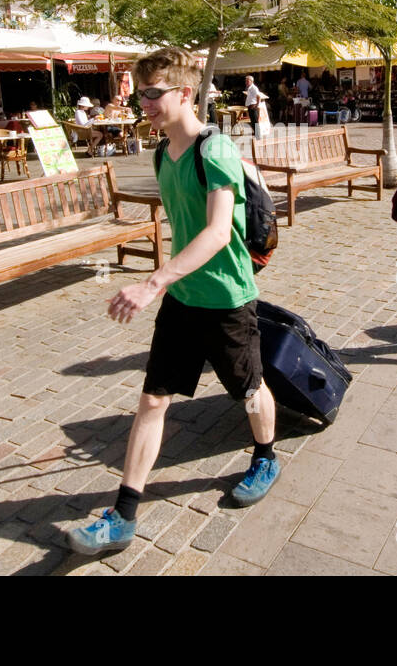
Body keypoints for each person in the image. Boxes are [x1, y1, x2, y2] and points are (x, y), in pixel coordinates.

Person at [66, 47, 280, 555]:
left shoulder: (216, 151)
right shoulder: (163, 153)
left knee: (249, 390)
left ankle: (266, 455)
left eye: (154, 92)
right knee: (153, 399)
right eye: (141, 93)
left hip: (227, 297)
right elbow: (180, 226)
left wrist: (151, 282)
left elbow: (214, 233)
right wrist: (165, 283)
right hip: (183, 299)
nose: (145, 102)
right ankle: (123, 513)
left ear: (185, 94)